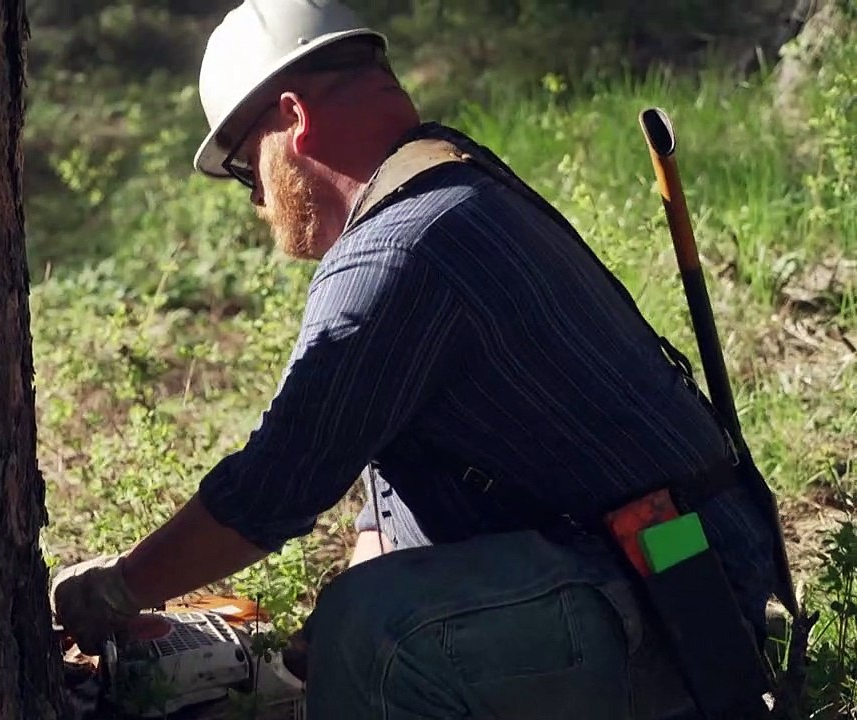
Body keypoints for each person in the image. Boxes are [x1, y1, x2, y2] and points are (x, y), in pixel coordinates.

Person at [51, 1, 788, 717]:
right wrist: (313, 658)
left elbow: (271, 492)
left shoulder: (397, 251)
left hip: (680, 619)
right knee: (355, 627)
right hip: (679, 576)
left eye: (248, 173)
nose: (257, 204)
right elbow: (388, 496)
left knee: (376, 637)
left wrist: (122, 585)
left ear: (293, 122)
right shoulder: (455, 187)